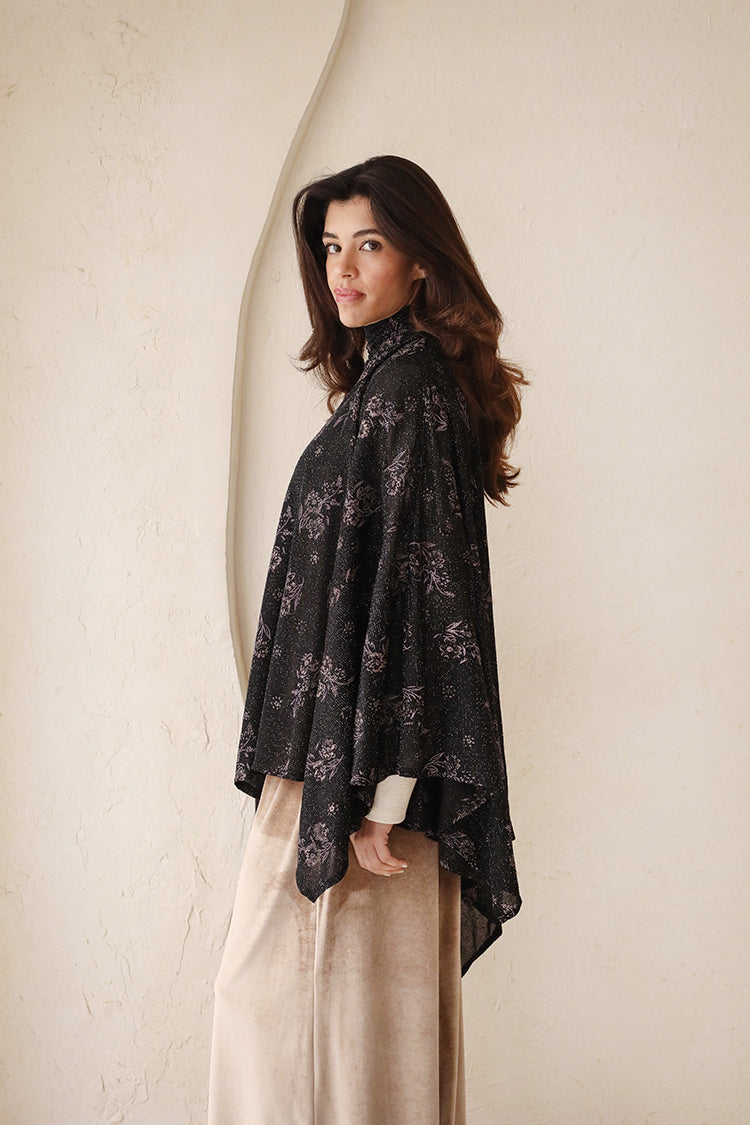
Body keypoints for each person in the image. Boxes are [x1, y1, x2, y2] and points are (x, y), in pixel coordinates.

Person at [207, 154, 525, 1125]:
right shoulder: (389, 386)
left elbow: (428, 604)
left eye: (370, 245)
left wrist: (384, 794)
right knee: (351, 1042)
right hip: (343, 765)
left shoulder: (410, 393)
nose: (341, 269)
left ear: (421, 261)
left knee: (312, 1034)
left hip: (365, 789)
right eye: (330, 246)